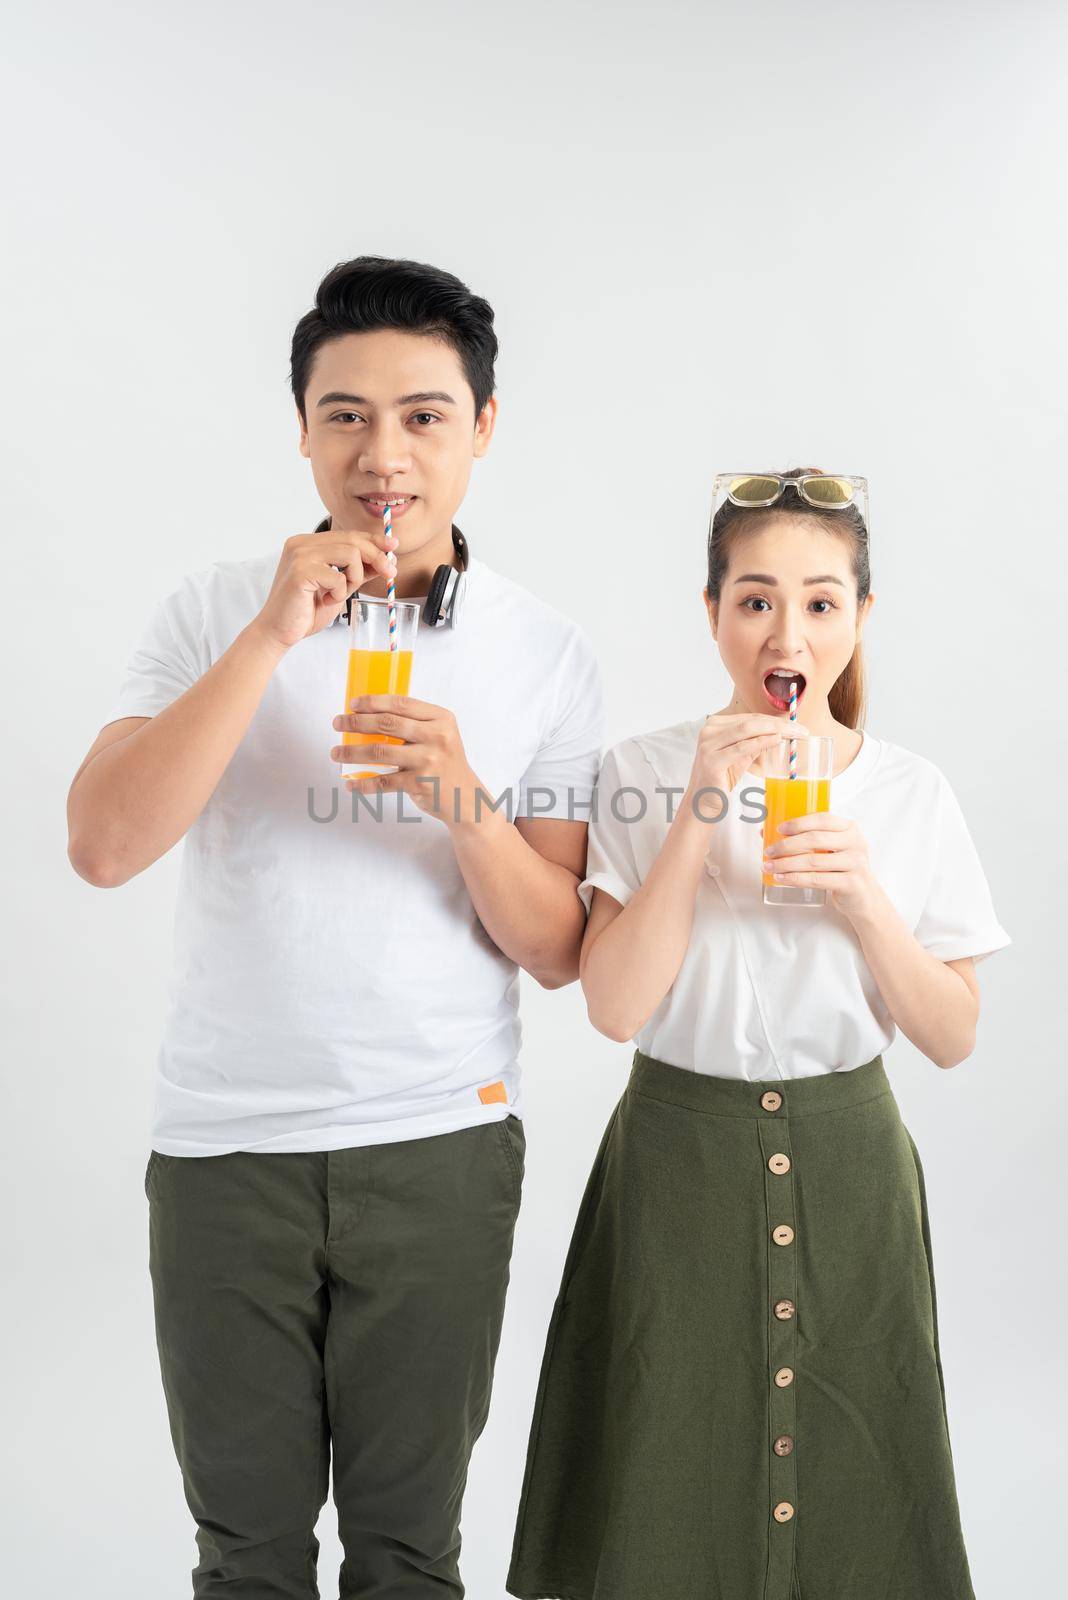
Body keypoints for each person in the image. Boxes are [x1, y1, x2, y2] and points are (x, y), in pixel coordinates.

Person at [66, 256, 604, 1598]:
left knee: (410, 1556)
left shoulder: (545, 653)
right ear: (302, 427)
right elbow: (104, 846)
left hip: (438, 1147)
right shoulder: (212, 611)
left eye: (425, 415)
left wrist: (464, 801)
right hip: (224, 1149)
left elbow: (554, 946)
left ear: (483, 428)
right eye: (345, 414)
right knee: (244, 1558)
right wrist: (267, 638)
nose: (384, 454)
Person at [506, 469, 1010, 1600]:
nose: (789, 630)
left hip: (851, 1164)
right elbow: (615, 1005)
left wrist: (865, 898)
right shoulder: (639, 773)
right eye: (757, 599)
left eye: (823, 602)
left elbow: (955, 1034)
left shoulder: (912, 794)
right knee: (663, 1447)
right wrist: (695, 812)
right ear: (714, 611)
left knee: (859, 1469)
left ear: (861, 618)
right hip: (676, 1161)